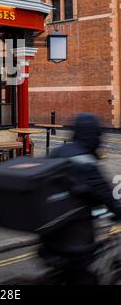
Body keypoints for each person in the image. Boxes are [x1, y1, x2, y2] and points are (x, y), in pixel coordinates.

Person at [39, 113, 121, 285]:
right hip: (73, 244)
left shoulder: (58, 152)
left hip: (48, 236)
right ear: (94, 136)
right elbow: (107, 196)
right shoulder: (86, 162)